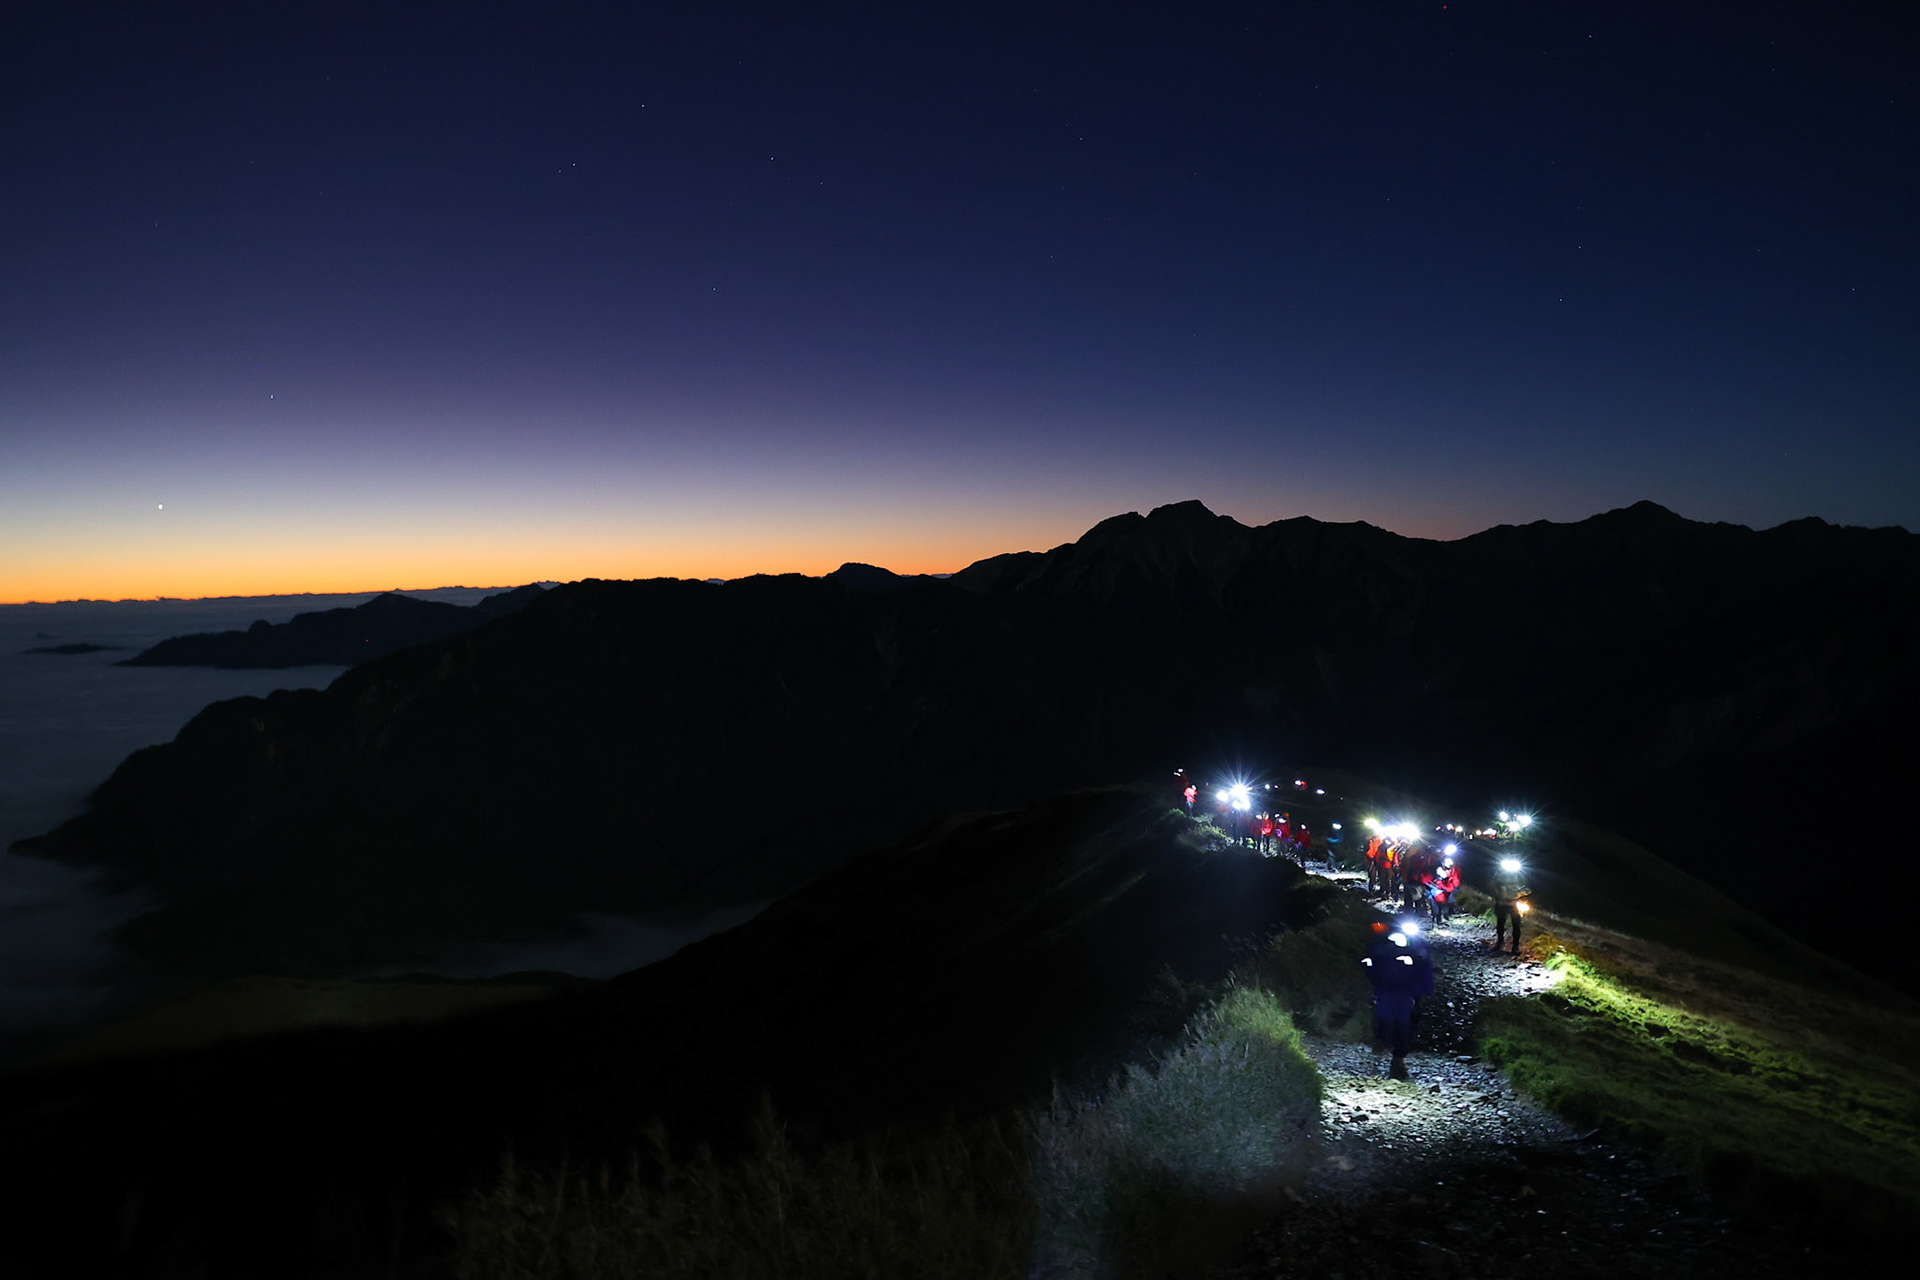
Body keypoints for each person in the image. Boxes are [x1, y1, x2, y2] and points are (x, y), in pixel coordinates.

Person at [1361, 922, 1423, 1079]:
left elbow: (1422, 967)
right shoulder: (1380, 945)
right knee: (1384, 1016)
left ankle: (1398, 1057)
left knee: (1403, 1021)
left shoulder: (1414, 948)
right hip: (1386, 989)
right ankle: (1380, 1040)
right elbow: (1369, 962)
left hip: (1402, 991)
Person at [1491, 856, 1528, 955]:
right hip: (1502, 902)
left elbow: (1526, 887)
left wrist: (1522, 894)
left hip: (1515, 903)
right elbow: (1493, 885)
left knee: (1516, 925)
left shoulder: (1520, 874)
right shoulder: (1500, 873)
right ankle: (1500, 942)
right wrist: (1498, 895)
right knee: (1501, 923)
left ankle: (1515, 946)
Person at [1427, 856, 1461, 926]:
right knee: (1438, 905)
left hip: (1441, 890)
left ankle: (1438, 919)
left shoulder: (1451, 871)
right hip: (1437, 890)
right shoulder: (1440, 870)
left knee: (1440, 905)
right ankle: (1436, 920)